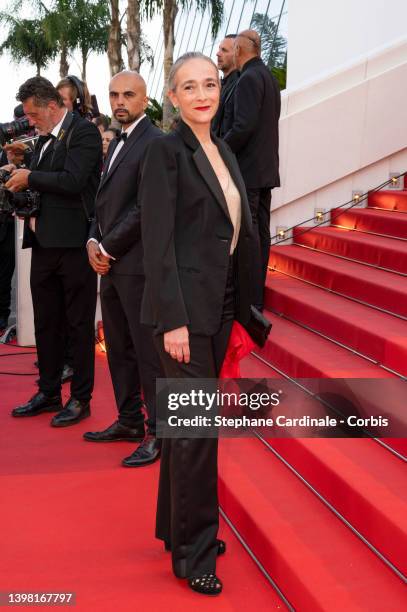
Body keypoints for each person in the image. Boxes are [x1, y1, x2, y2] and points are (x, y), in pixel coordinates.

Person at [139, 52, 252, 595]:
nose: (203, 94)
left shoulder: (223, 149)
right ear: (174, 97)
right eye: (190, 87)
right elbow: (158, 242)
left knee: (185, 432)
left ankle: (176, 529)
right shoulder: (166, 152)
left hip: (219, 305)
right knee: (197, 433)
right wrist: (173, 321)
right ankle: (196, 554)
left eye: (210, 83)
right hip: (182, 314)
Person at [7, 76, 102, 426]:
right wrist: (19, 178)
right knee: (47, 323)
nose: (29, 121)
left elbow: (74, 180)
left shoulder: (83, 132)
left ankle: (80, 398)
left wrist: (29, 177)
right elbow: (44, 184)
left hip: (75, 244)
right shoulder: (44, 140)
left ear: (51, 106)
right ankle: (48, 391)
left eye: (33, 115)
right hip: (44, 243)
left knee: (78, 325)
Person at [84, 71, 163, 467]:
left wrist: (108, 246)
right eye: (114, 94)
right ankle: (130, 419)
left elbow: (145, 208)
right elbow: (104, 203)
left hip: (140, 267)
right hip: (112, 266)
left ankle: (159, 433)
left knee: (148, 352)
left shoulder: (155, 143)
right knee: (118, 349)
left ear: (145, 100)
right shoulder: (116, 141)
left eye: (128, 95)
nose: (119, 101)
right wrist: (92, 241)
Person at [224, 29, 281, 311]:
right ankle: (256, 298)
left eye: (233, 48)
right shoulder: (269, 77)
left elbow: (243, 126)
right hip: (266, 168)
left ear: (241, 50)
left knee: (249, 234)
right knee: (260, 232)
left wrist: (219, 149)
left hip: (248, 170)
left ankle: (249, 299)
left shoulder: (248, 78)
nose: (231, 53)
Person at [212, 34, 239, 138]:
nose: (218, 54)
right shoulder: (220, 85)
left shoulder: (240, 85)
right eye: (219, 49)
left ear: (237, 54)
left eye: (224, 50)